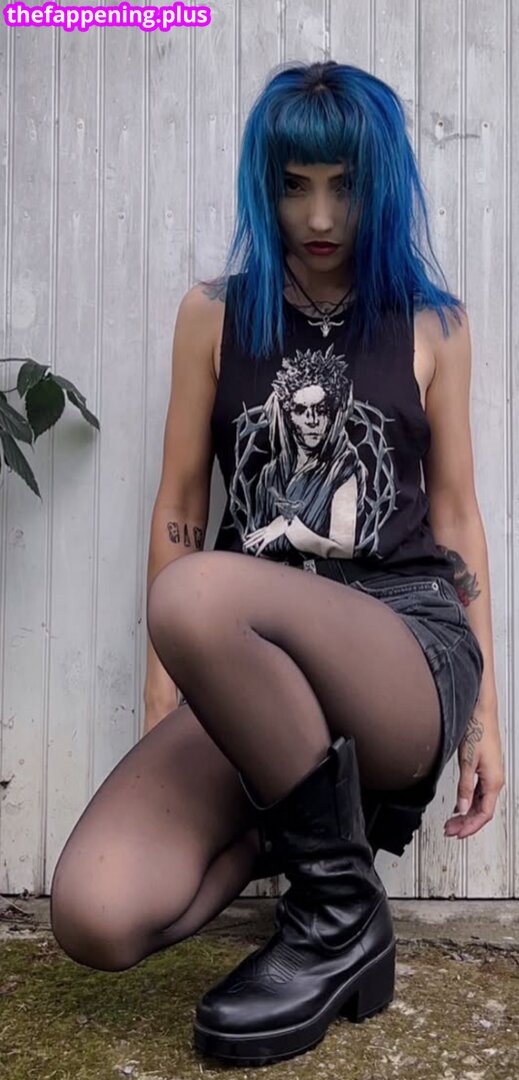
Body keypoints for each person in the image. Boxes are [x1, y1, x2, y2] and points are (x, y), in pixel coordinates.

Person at [49, 60, 505, 1068]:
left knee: (197, 592)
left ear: (382, 184)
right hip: (247, 659)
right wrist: (168, 695)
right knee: (96, 912)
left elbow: (456, 518)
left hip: (400, 647)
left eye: (344, 184)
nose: (320, 215)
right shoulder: (212, 315)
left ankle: (333, 918)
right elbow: (181, 505)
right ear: (266, 185)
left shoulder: (433, 322)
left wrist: (485, 717)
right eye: (295, 185)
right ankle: (320, 859)